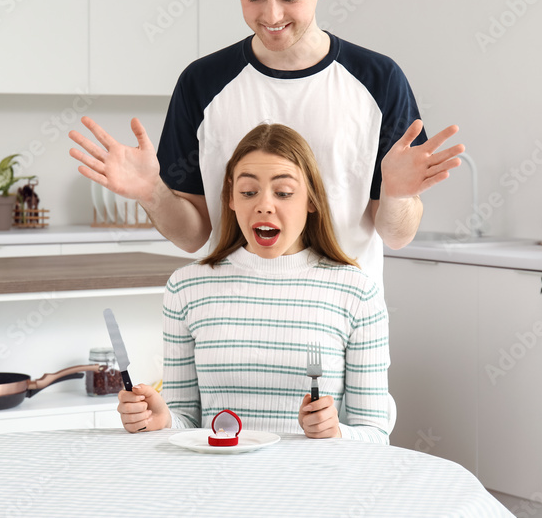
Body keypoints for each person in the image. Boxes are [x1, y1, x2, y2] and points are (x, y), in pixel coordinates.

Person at [69, 0, 463, 286]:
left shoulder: (379, 80)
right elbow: (193, 236)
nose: (271, 16)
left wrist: (396, 195)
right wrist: (151, 192)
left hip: (342, 324)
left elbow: (396, 234)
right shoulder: (202, 84)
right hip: (234, 319)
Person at [117, 123, 390, 442]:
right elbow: (186, 421)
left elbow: (376, 434)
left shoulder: (357, 292)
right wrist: (161, 422)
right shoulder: (186, 287)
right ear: (231, 199)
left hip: (314, 483)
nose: (264, 204)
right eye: (248, 192)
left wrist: (337, 432)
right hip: (216, 480)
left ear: (311, 200)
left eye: (284, 193)